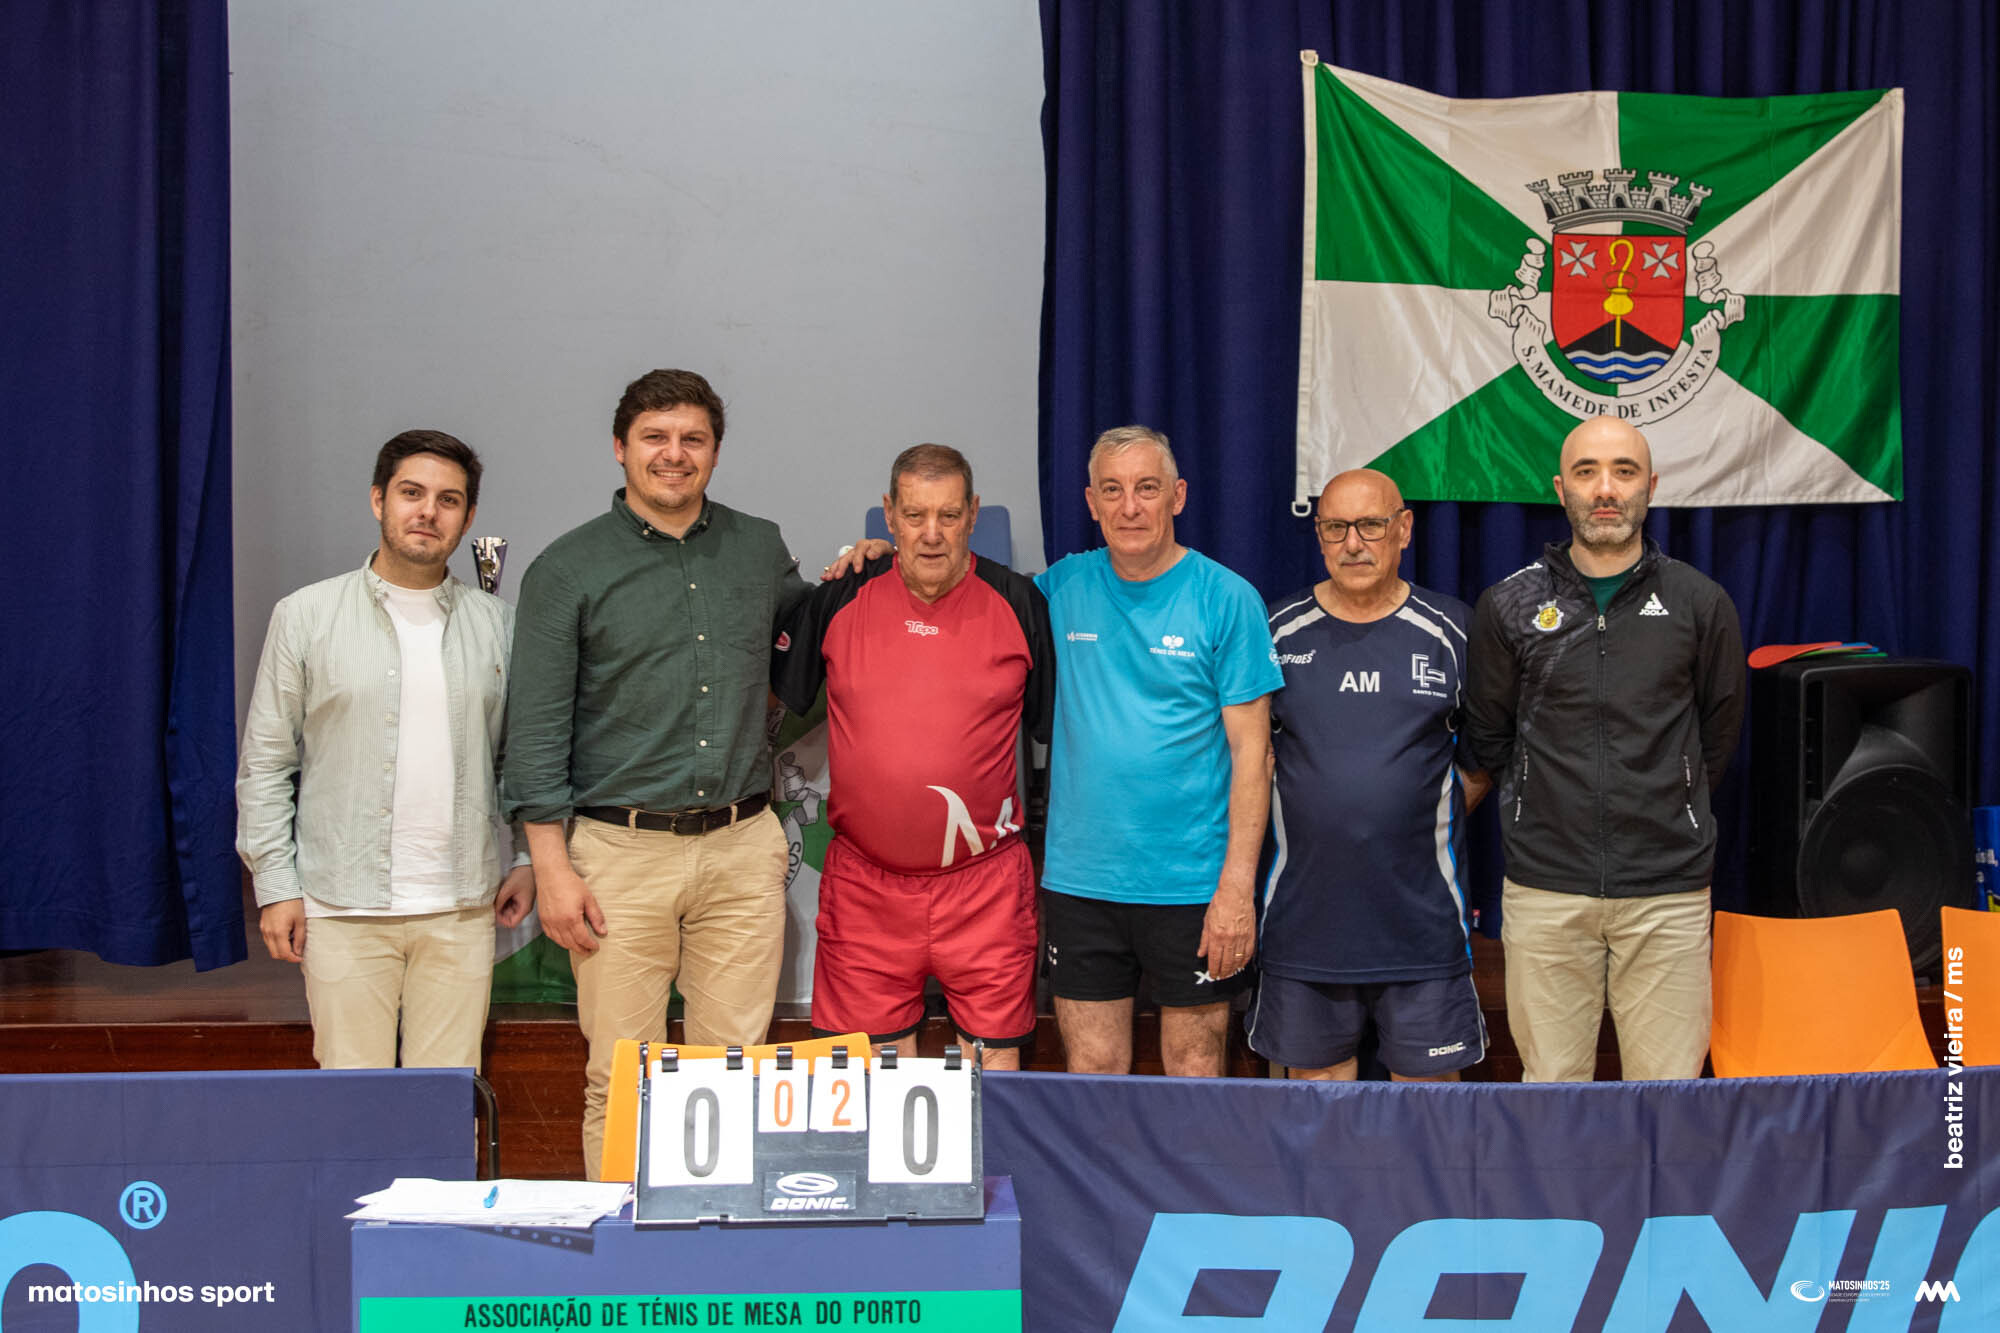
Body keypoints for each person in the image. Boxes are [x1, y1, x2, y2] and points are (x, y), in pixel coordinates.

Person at [504, 369, 808, 1176]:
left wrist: (866, 565)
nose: (674, 455)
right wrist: (551, 866)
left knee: (730, 1071)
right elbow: (533, 731)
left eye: (693, 439)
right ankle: (622, 1265)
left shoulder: (759, 548)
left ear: (714, 451)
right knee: (625, 1076)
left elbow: (814, 643)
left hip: (743, 847)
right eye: (655, 437)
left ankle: (719, 1254)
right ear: (620, 448)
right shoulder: (565, 569)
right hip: (618, 855)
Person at [238, 430, 533, 1071]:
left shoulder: (500, 626)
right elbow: (266, 761)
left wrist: (531, 857)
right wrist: (276, 885)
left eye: (448, 500)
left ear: (468, 518)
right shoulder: (305, 616)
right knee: (352, 1108)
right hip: (342, 908)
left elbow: (519, 757)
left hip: (459, 907)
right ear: (378, 501)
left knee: (444, 1103)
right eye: (411, 493)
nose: (428, 511)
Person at [1465, 415, 1745, 1082]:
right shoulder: (1509, 605)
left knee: (1667, 1098)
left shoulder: (1699, 603)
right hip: (1545, 891)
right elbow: (1491, 737)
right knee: (1553, 1097)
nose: (1605, 489)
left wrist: (1664, 805)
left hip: (1668, 895)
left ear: (1651, 485)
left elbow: (1718, 735)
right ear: (1561, 489)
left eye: (1623, 471)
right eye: (1587, 472)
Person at [772, 444, 1054, 1068]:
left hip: (986, 888)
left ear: (974, 515)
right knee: (874, 1101)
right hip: (866, 887)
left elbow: (1050, 731)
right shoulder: (840, 598)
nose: (931, 535)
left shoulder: (1020, 602)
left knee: (994, 1092)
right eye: (916, 515)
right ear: (888, 515)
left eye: (949, 515)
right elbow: (774, 698)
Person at [1037, 425, 1282, 1076]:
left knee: (1196, 1071)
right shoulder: (1057, 591)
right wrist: (871, 556)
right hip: (1081, 883)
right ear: (1090, 502)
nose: (1129, 507)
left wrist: (1236, 888)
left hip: (1194, 887)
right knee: (1091, 1069)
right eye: (1112, 491)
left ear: (1177, 496)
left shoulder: (1227, 598)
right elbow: (959, 601)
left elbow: (1254, 756)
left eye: (1146, 488)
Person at [1249, 469, 1491, 1082]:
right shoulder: (1274, 633)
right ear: (1320, 535)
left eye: (1371, 525)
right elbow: (1247, 761)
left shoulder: (1454, 630)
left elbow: (1486, 758)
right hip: (1307, 928)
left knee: (1427, 1120)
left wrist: (1404, 818)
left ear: (1403, 528)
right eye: (1336, 527)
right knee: (1318, 1123)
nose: (1354, 543)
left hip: (1422, 929)